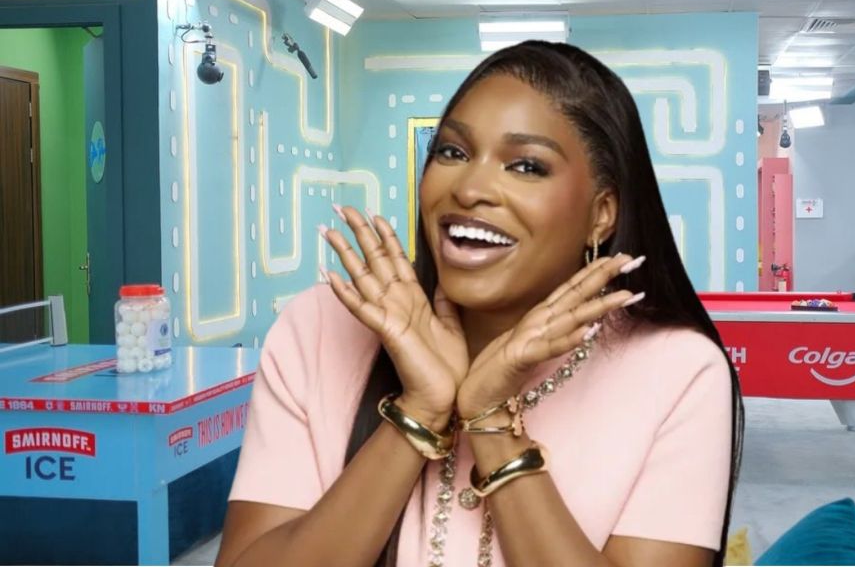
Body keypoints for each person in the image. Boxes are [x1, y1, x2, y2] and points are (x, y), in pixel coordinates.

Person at [216, 40, 744, 567]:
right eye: (452, 152)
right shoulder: (321, 326)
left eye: (527, 166)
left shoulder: (677, 371)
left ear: (601, 214)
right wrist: (418, 413)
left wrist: (492, 424)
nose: (469, 188)